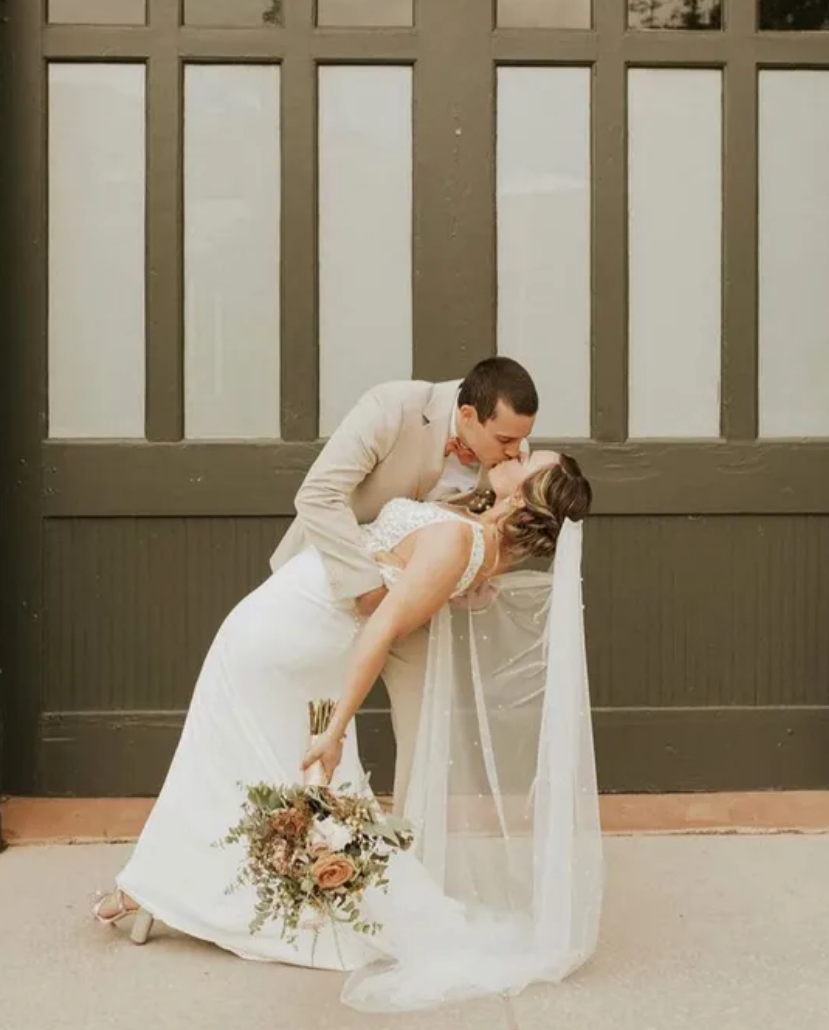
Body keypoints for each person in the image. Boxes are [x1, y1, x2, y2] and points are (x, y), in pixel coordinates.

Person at [91, 448, 602, 1012]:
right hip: (288, 626)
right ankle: (166, 888)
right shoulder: (474, 534)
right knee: (251, 765)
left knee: (223, 758)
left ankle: (154, 889)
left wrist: (335, 727)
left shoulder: (462, 544)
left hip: (288, 638)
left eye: (529, 461)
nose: (518, 453)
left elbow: (380, 631)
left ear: (521, 498)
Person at [270, 356, 539, 811]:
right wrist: (367, 585)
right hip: (335, 580)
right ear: (469, 416)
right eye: (506, 440)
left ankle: (410, 850)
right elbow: (317, 495)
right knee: (303, 719)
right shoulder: (391, 408)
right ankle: (291, 841)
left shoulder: (508, 457)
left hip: (411, 609)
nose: (517, 451)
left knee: (427, 731)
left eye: (521, 439)